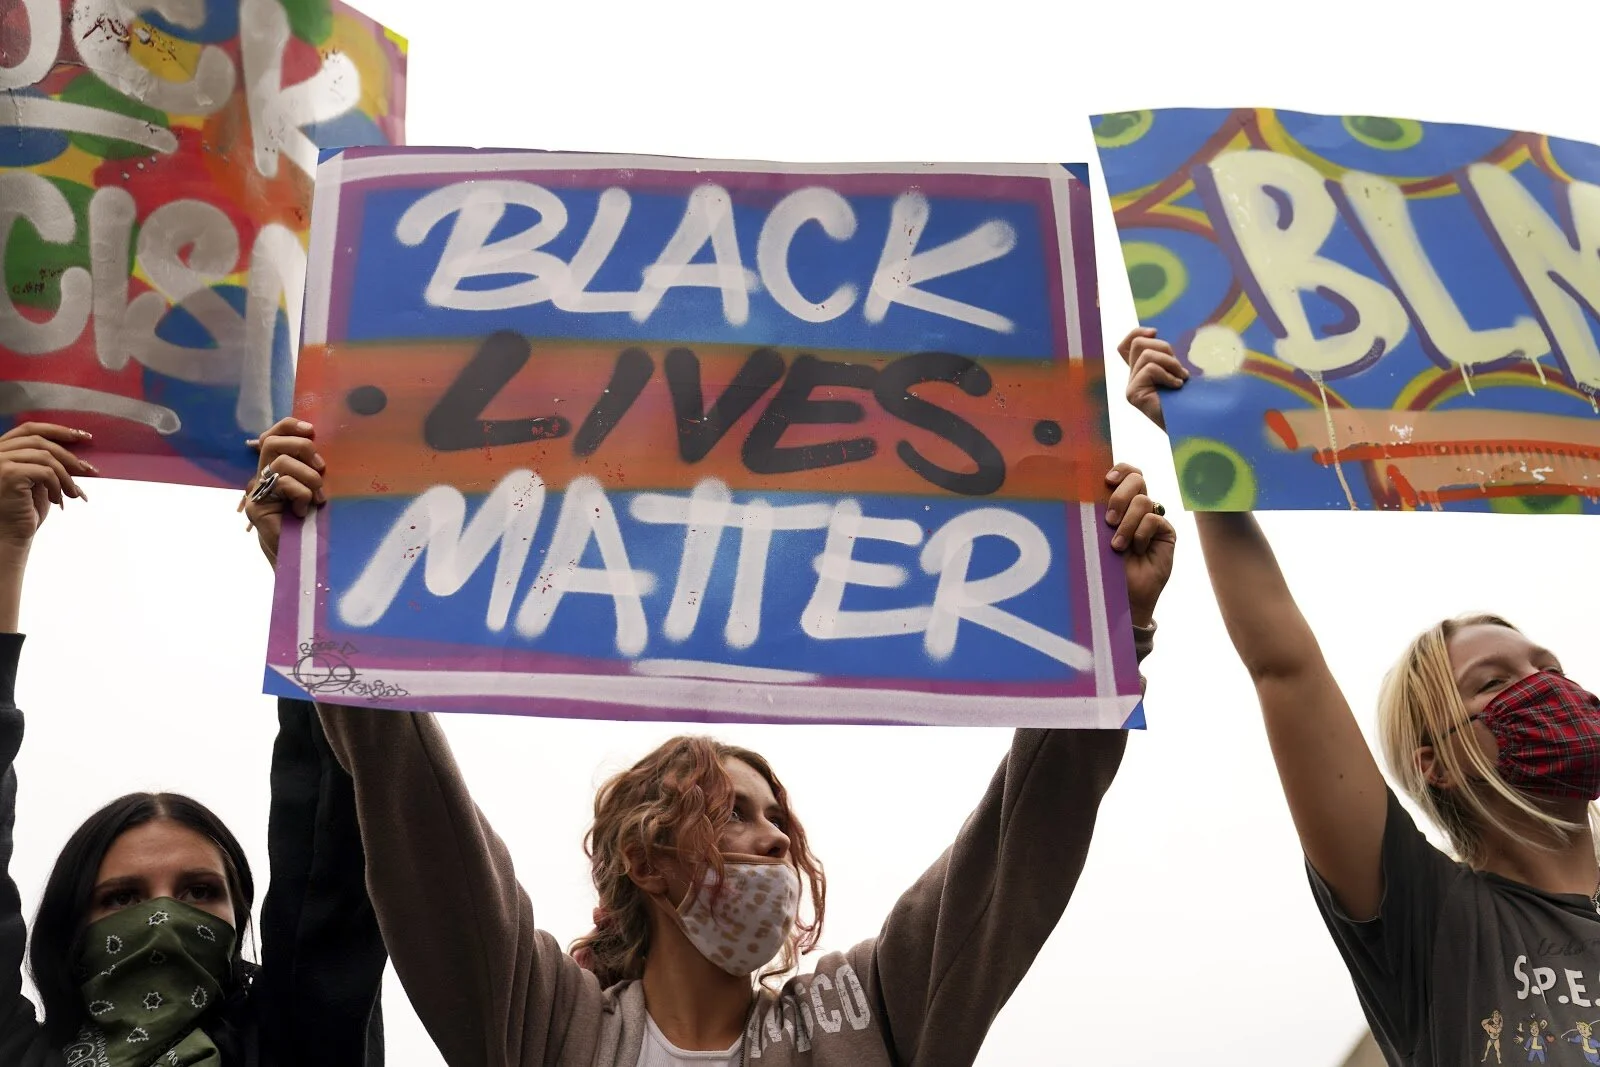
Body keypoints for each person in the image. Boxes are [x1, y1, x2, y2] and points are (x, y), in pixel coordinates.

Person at [243, 418, 1175, 1067]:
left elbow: (1014, 849)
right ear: (645, 857)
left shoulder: (871, 1011)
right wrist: (322, 591)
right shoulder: (541, 1024)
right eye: (733, 813)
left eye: (777, 816)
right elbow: (420, 821)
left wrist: (1113, 630)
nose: (777, 837)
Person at [1117, 326, 1600, 1067]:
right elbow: (1285, 665)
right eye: (1496, 683)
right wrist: (1201, 449)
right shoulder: (1432, 924)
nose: (1547, 687)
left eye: (1551, 669)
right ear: (1435, 761)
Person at [0, 421, 388, 1066]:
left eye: (200, 893)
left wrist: (305, 562)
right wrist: (4, 547)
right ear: (68, 927)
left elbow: (334, 836)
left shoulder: (301, 1045)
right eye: (120, 898)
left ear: (242, 918)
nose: (164, 923)